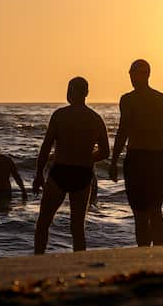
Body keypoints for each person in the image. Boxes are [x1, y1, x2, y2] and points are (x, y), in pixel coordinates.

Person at [33, 77, 110, 254]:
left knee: (43, 223)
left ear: (70, 91)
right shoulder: (95, 119)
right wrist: (88, 158)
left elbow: (46, 146)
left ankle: (38, 259)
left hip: (60, 172)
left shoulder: (60, 115)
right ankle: (79, 263)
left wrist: (38, 174)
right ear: (86, 93)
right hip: (82, 174)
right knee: (77, 228)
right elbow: (105, 151)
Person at [109, 59, 163, 247]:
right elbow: (123, 132)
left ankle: (155, 252)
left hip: (147, 159)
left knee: (151, 211)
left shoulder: (150, 99)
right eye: (131, 74)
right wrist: (114, 161)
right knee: (145, 212)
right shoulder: (135, 99)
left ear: (145, 75)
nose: (132, 77)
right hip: (143, 159)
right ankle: (148, 253)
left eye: (134, 74)